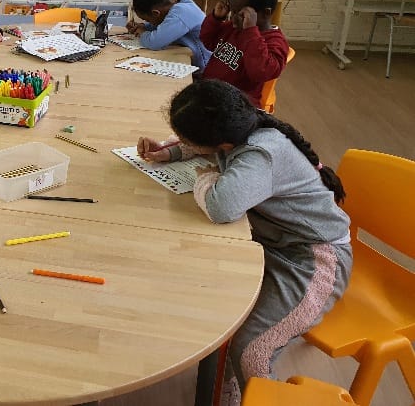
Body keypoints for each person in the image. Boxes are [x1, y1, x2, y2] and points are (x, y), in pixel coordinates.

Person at [137, 80, 352, 405]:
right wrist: (170, 151)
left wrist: (206, 178)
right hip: (274, 244)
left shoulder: (262, 154)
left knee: (251, 348)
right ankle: (230, 387)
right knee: (220, 305)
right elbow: (205, 148)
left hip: (315, 261)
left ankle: (261, 397)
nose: (185, 143)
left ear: (222, 142)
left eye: (188, 139)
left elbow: (221, 206)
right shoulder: (240, 124)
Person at [200, 0, 289, 107]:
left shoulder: (275, 42)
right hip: (210, 93)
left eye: (241, 14)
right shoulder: (233, 28)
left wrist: (250, 31)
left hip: (236, 106)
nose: (233, 18)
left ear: (266, 13)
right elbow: (208, 41)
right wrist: (216, 18)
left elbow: (260, 72)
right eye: (233, 11)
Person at [125, 0, 211, 70]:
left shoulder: (180, 14)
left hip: (205, 68)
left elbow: (155, 42)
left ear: (156, 13)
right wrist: (143, 26)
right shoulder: (178, 7)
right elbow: (163, 26)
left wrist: (142, 33)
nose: (148, 22)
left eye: (147, 20)